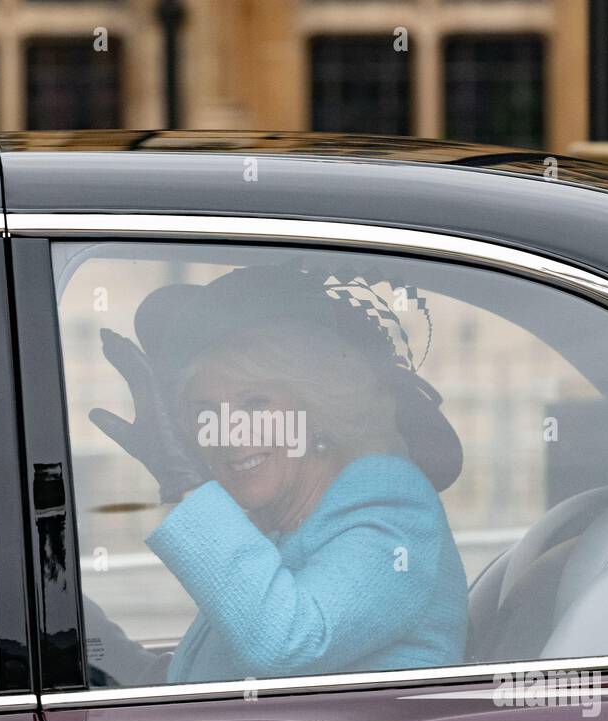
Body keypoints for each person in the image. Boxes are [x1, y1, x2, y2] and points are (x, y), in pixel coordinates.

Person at [84, 263, 468, 686]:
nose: (229, 433)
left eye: (255, 403)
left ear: (319, 410)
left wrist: (186, 483)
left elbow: (288, 642)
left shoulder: (392, 509)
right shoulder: (279, 524)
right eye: (206, 412)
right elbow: (205, 678)